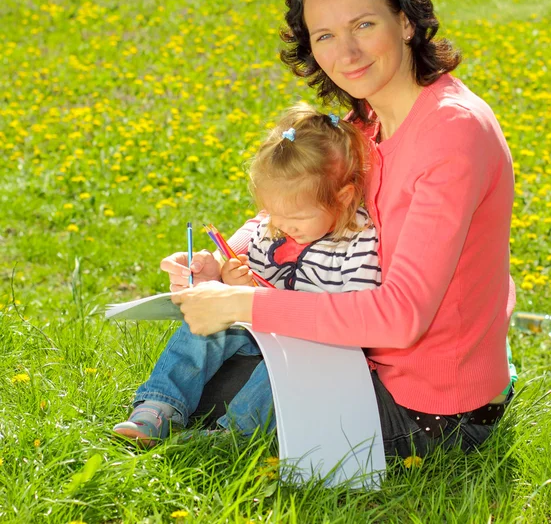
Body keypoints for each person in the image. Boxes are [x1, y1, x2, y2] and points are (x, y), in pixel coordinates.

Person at [163, 0, 517, 458]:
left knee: (216, 426)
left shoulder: (452, 135)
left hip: (432, 409)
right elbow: (279, 216)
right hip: (358, 359)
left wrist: (245, 303)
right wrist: (218, 264)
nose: (345, 53)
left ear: (406, 21)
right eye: (324, 35)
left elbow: (400, 318)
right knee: (205, 372)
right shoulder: (366, 119)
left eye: (364, 25)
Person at [113, 103, 381, 446]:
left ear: (342, 199)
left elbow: (354, 318)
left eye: (295, 220)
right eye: (273, 214)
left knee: (282, 374)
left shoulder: (358, 241)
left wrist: (258, 302)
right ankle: (158, 406)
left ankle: (232, 434)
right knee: (207, 329)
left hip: (312, 349)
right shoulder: (274, 223)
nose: (282, 226)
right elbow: (248, 262)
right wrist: (229, 277)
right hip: (261, 333)